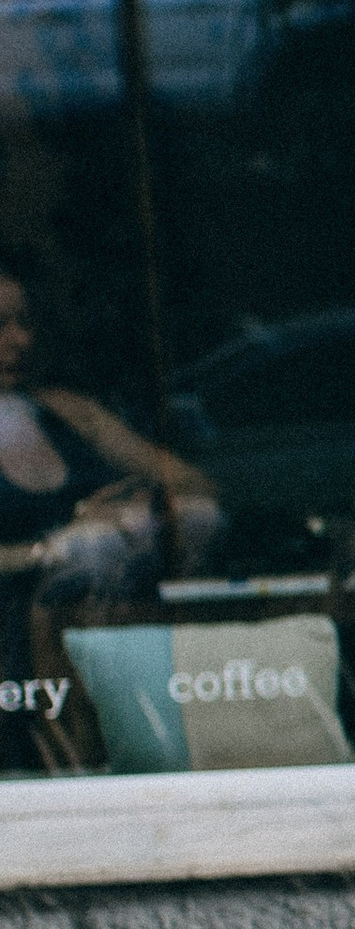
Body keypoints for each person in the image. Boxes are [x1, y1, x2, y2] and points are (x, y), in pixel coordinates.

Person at [0, 270, 219, 756]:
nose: (19, 341)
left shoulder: (66, 412)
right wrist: (56, 544)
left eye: (24, 322)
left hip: (119, 633)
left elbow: (194, 486)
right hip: (22, 662)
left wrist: (139, 502)